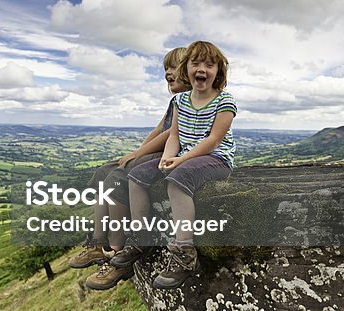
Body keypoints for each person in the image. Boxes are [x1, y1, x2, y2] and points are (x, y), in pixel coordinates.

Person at [115, 40, 236, 290]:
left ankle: (185, 253)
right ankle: (141, 237)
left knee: (177, 180)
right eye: (196, 63)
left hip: (215, 158)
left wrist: (180, 161)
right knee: (137, 176)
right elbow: (174, 136)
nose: (202, 68)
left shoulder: (225, 101)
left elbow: (213, 141)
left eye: (209, 65)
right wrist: (166, 158)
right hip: (183, 156)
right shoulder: (181, 100)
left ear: (218, 72)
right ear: (187, 69)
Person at [71, 47, 192, 290]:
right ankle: (97, 244)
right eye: (165, 69)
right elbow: (159, 130)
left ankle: (118, 252)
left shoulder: (191, 100)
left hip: (176, 153)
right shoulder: (175, 101)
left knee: (116, 178)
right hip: (159, 149)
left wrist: (138, 155)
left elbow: (171, 135)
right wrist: (137, 152)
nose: (168, 73)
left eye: (173, 67)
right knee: (103, 173)